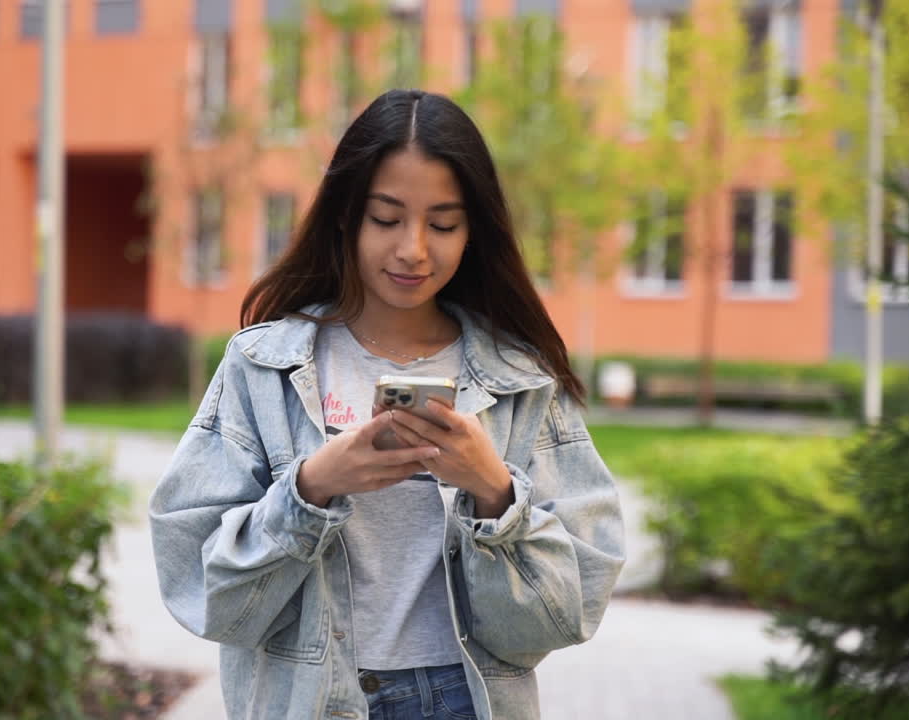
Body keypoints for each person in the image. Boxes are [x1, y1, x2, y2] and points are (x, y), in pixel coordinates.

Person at [150, 89, 625, 720]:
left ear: (473, 231)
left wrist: (493, 491)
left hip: (467, 700)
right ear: (346, 217)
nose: (413, 249)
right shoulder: (265, 365)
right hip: (313, 701)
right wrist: (311, 489)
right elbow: (202, 591)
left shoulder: (519, 378)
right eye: (387, 218)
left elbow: (568, 611)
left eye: (443, 223)